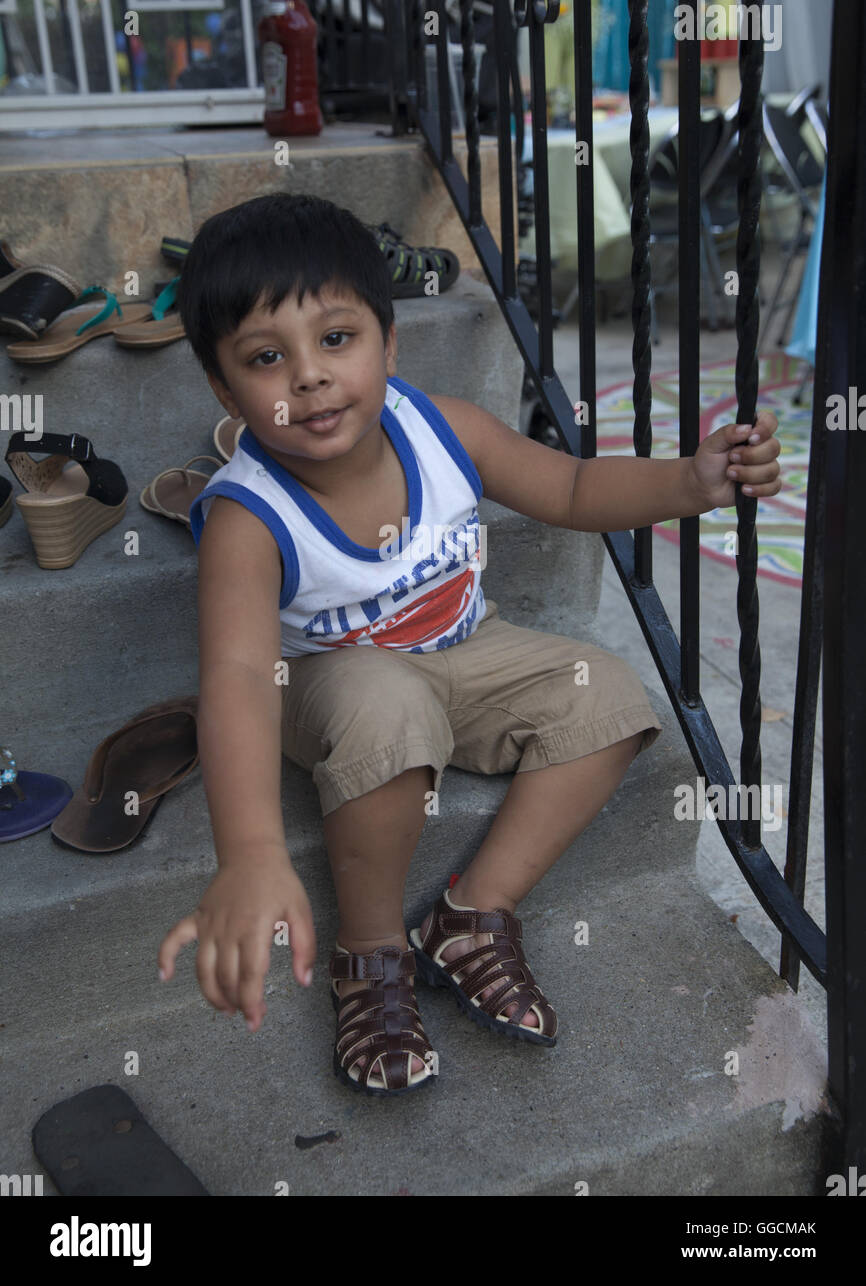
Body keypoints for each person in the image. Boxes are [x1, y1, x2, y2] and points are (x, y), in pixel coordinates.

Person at [157, 192, 782, 1096]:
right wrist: (251, 851)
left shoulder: (442, 428)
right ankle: (370, 958)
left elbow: (568, 489)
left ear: (389, 342)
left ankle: (471, 915)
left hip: (462, 650)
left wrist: (693, 479)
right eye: (266, 358)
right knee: (388, 706)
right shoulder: (247, 520)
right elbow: (242, 677)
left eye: (337, 339)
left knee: (605, 692)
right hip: (329, 688)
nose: (310, 378)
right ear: (224, 390)